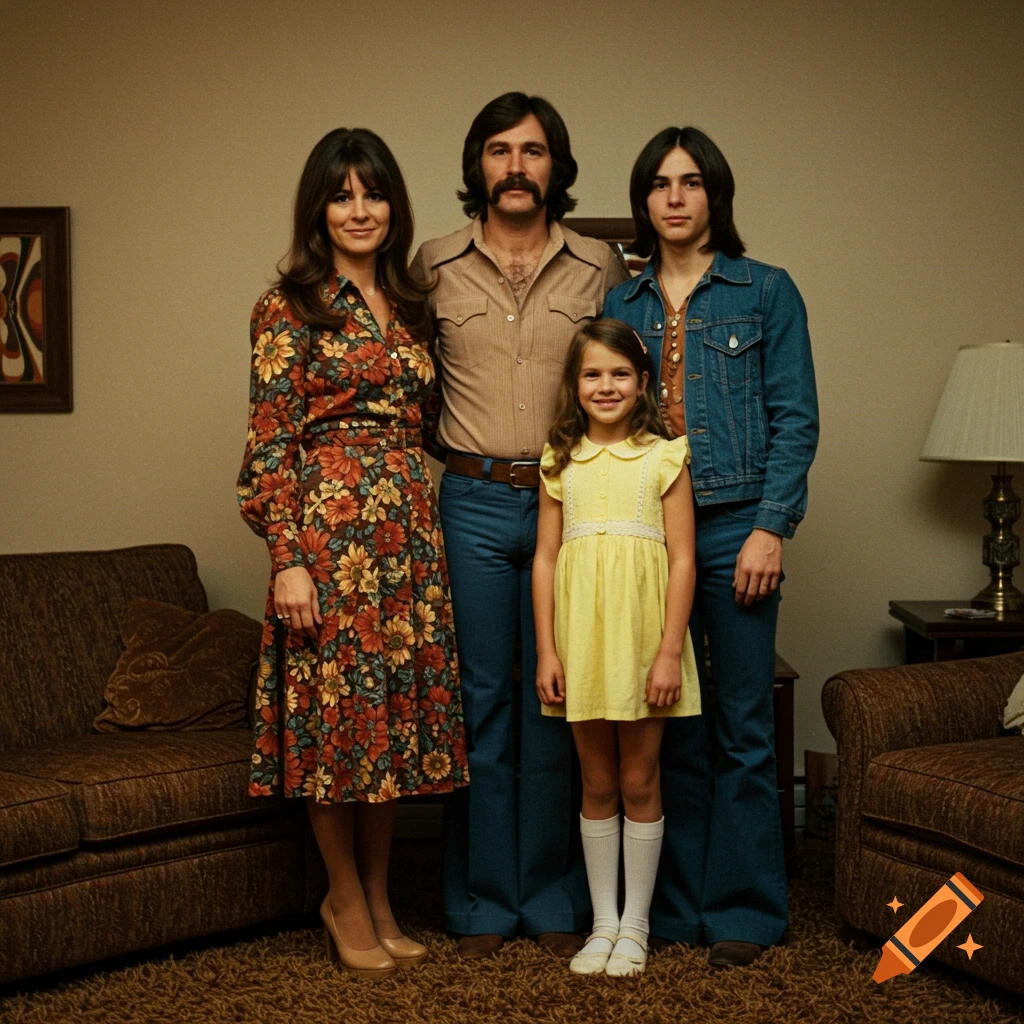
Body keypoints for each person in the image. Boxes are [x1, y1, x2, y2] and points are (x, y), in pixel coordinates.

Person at [237, 127, 469, 979]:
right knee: (338, 730)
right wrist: (288, 559)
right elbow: (269, 445)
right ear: (318, 209)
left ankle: (378, 896)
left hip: (407, 537)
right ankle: (341, 898)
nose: (360, 209)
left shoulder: (411, 303)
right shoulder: (287, 306)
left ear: (393, 205)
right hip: (328, 543)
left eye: (372, 193)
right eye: (341, 194)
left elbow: (437, 421)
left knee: (388, 731)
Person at [411, 92, 629, 959]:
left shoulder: (600, 266)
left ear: (555, 167)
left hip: (571, 498)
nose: (515, 166)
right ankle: (479, 902)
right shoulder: (432, 265)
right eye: (499, 150)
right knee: (481, 703)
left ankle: (548, 895)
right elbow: (405, 384)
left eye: (532, 151)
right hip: (470, 500)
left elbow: (631, 378)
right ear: (478, 167)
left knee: (556, 697)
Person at [603, 127, 819, 968]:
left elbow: (794, 417)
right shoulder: (621, 309)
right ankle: (674, 907)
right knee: (667, 722)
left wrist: (772, 525)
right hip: (643, 534)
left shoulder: (765, 292)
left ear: (714, 195)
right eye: (659, 183)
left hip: (734, 527)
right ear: (644, 200)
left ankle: (743, 911)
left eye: (691, 182)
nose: (676, 197)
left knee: (740, 723)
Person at [532, 319, 701, 977]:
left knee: (639, 777)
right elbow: (545, 561)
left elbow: (683, 560)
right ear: (575, 386)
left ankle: (637, 925)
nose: (607, 386)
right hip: (579, 642)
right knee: (596, 780)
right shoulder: (559, 460)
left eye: (620, 373)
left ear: (642, 382)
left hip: (642, 641)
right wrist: (547, 651)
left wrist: (666, 653)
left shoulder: (666, 456)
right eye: (592, 374)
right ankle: (602, 925)